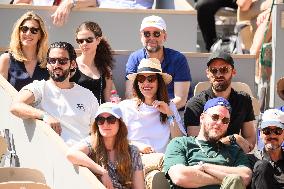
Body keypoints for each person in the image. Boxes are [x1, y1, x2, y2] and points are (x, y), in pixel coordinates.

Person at [10, 41, 99, 146]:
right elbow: (15, 106)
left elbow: (97, 131)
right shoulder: (40, 88)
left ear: (73, 64)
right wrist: (44, 116)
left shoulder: (87, 95)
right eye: (52, 61)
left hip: (82, 156)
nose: (56, 65)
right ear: (47, 64)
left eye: (62, 61)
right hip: (54, 156)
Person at [163, 97, 252, 189]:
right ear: (202, 118)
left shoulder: (234, 150)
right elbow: (180, 176)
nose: (219, 123)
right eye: (215, 117)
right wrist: (227, 180)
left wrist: (204, 167)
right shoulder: (180, 144)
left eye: (225, 121)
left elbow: (245, 177)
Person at [184, 50, 256, 153]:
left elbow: (250, 140)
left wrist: (238, 149)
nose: (218, 74)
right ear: (208, 73)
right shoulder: (195, 104)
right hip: (205, 157)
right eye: (213, 70)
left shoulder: (243, 100)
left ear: (233, 72)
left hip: (235, 156)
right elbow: (196, 144)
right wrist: (232, 139)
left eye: (224, 69)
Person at [66, 102, 144, 189]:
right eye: (101, 120)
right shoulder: (91, 144)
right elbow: (71, 154)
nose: (105, 124)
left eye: (111, 119)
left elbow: (139, 187)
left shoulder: (132, 151)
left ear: (120, 123)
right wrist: (102, 171)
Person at [125, 15, 192, 113]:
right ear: (141, 37)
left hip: (174, 110)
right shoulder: (134, 58)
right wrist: (149, 111)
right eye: (147, 34)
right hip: (143, 111)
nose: (151, 38)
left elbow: (180, 100)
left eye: (156, 34)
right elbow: (130, 95)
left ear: (165, 36)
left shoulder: (178, 59)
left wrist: (160, 110)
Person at [120, 58, 186, 154]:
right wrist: (136, 146)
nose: (146, 83)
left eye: (151, 79)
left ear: (159, 83)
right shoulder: (126, 106)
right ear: (137, 83)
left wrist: (169, 114)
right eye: (141, 79)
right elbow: (115, 139)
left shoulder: (169, 106)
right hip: (134, 159)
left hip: (160, 162)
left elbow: (178, 141)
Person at [0, 11, 49, 91]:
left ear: (40, 35)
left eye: (34, 30)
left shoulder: (48, 62)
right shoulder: (6, 59)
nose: (28, 33)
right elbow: (2, 94)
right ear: (19, 32)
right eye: (24, 29)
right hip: (14, 103)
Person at [70, 21, 114, 104]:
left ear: (98, 40)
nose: (84, 44)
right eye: (80, 41)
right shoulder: (71, 66)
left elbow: (108, 98)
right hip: (77, 115)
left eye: (89, 40)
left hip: (99, 115)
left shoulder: (106, 69)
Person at [249, 108, 284, 189]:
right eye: (267, 130)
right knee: (262, 166)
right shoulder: (251, 160)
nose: (272, 135)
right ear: (260, 133)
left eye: (277, 130)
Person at [13, 0, 96, 26]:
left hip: (69, 34)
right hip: (38, 34)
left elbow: (93, 1)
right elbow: (17, 4)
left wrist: (69, 3)